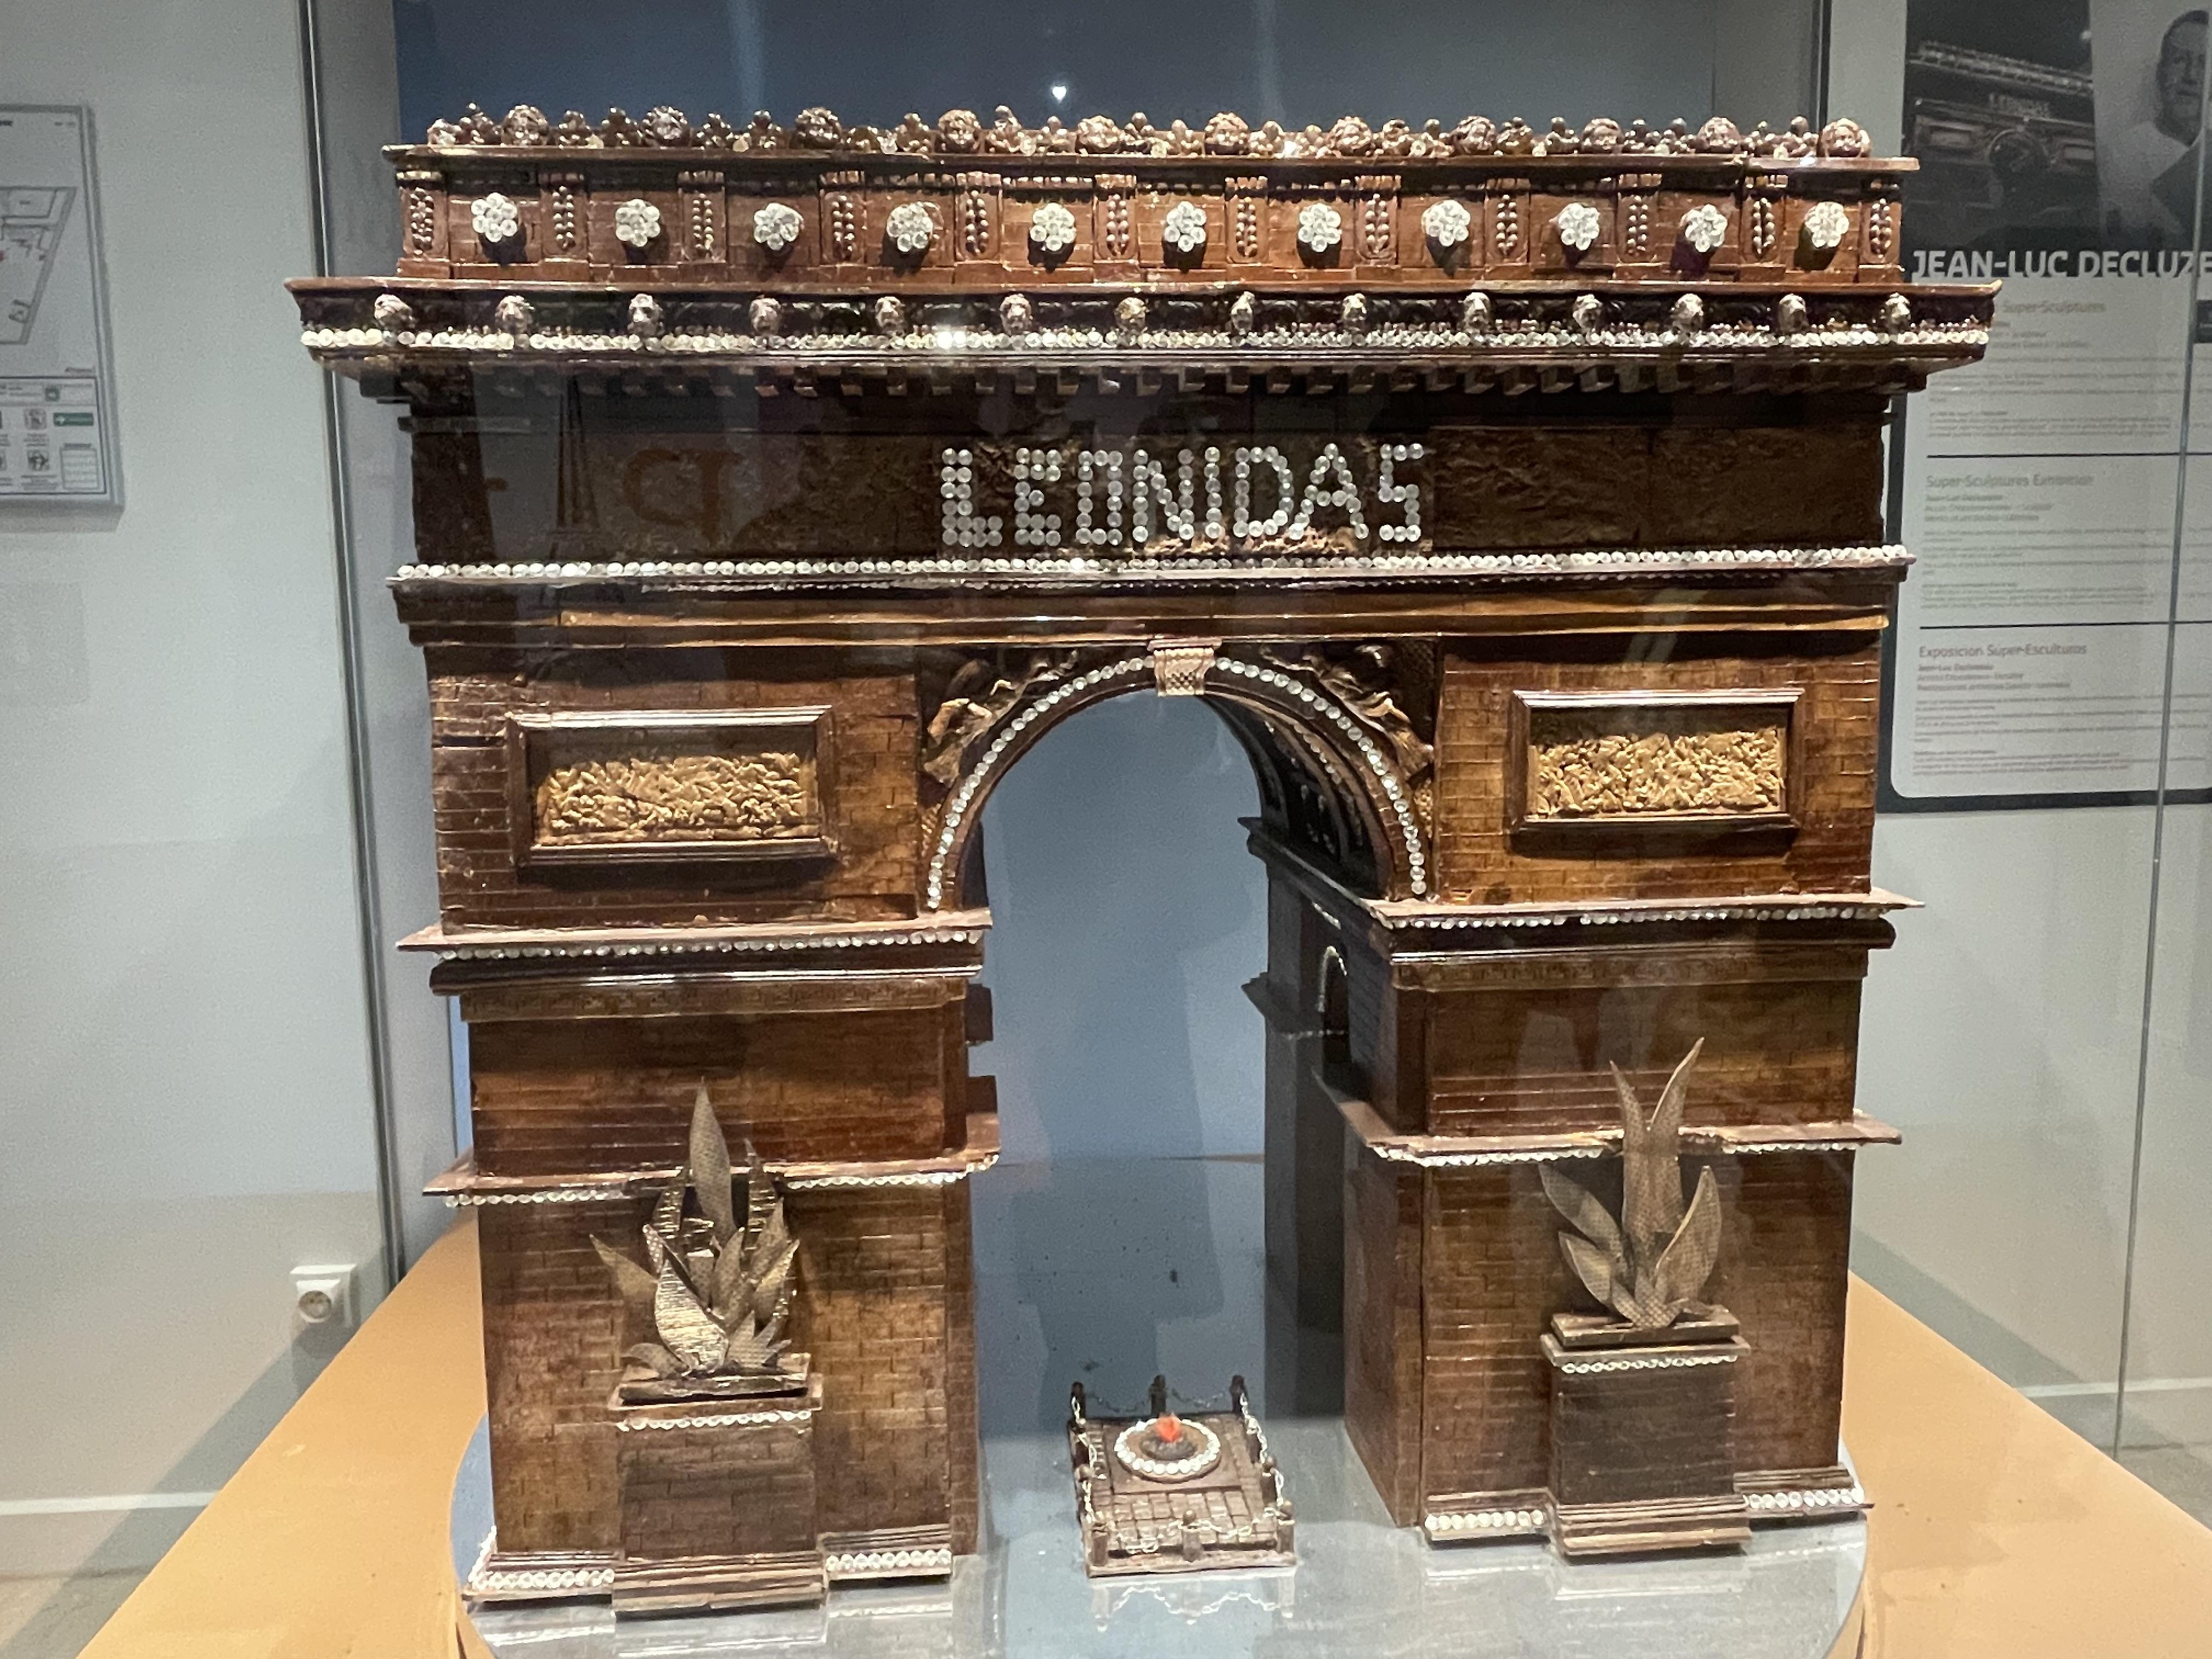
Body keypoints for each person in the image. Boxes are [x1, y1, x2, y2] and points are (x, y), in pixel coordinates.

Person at [2104, 9, 2209, 241]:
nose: (2191, 76)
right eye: (2180, 60)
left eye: (2204, 63)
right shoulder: (2127, 151)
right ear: (2162, 72)